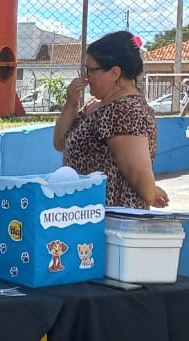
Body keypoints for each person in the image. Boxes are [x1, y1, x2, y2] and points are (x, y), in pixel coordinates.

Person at [54, 30, 168, 209]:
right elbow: (61, 143)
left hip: (111, 219)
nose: (86, 77)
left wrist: (150, 192)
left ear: (115, 73)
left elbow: (137, 171)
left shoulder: (125, 110)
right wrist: (71, 104)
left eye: (91, 70)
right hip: (87, 215)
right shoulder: (99, 105)